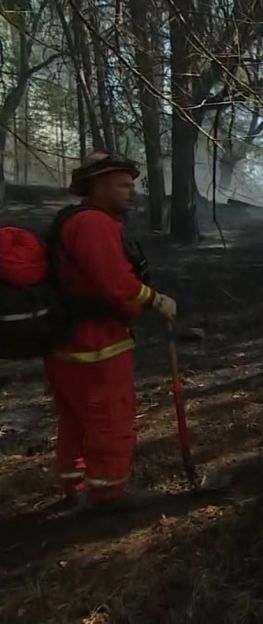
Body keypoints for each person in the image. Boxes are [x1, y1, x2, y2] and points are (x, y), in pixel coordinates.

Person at [46, 152, 178, 514]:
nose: (131, 192)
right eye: (123, 185)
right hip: (97, 347)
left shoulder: (74, 221)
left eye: (132, 185)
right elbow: (115, 282)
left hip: (66, 345)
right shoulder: (94, 224)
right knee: (109, 418)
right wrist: (155, 299)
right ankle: (107, 497)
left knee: (75, 420)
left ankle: (75, 490)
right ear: (99, 184)